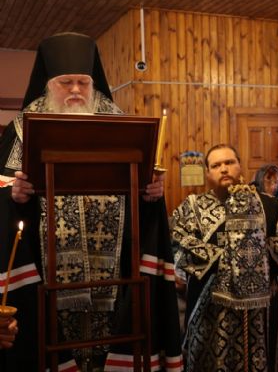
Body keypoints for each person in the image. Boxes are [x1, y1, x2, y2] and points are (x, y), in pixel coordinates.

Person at [0, 32, 182, 371]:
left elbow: (141, 190)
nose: (75, 90)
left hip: (114, 276)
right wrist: (15, 196)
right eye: (65, 82)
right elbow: (3, 190)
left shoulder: (121, 123)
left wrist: (151, 196)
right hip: (46, 274)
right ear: (48, 85)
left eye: (83, 82)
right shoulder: (22, 128)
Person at [170, 144, 278, 371]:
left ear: (240, 166)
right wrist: (228, 257)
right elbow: (178, 241)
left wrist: (254, 255)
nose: (224, 169)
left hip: (259, 309)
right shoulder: (191, 208)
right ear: (207, 173)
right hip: (209, 306)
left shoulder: (271, 205)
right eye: (216, 165)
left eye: (229, 162)